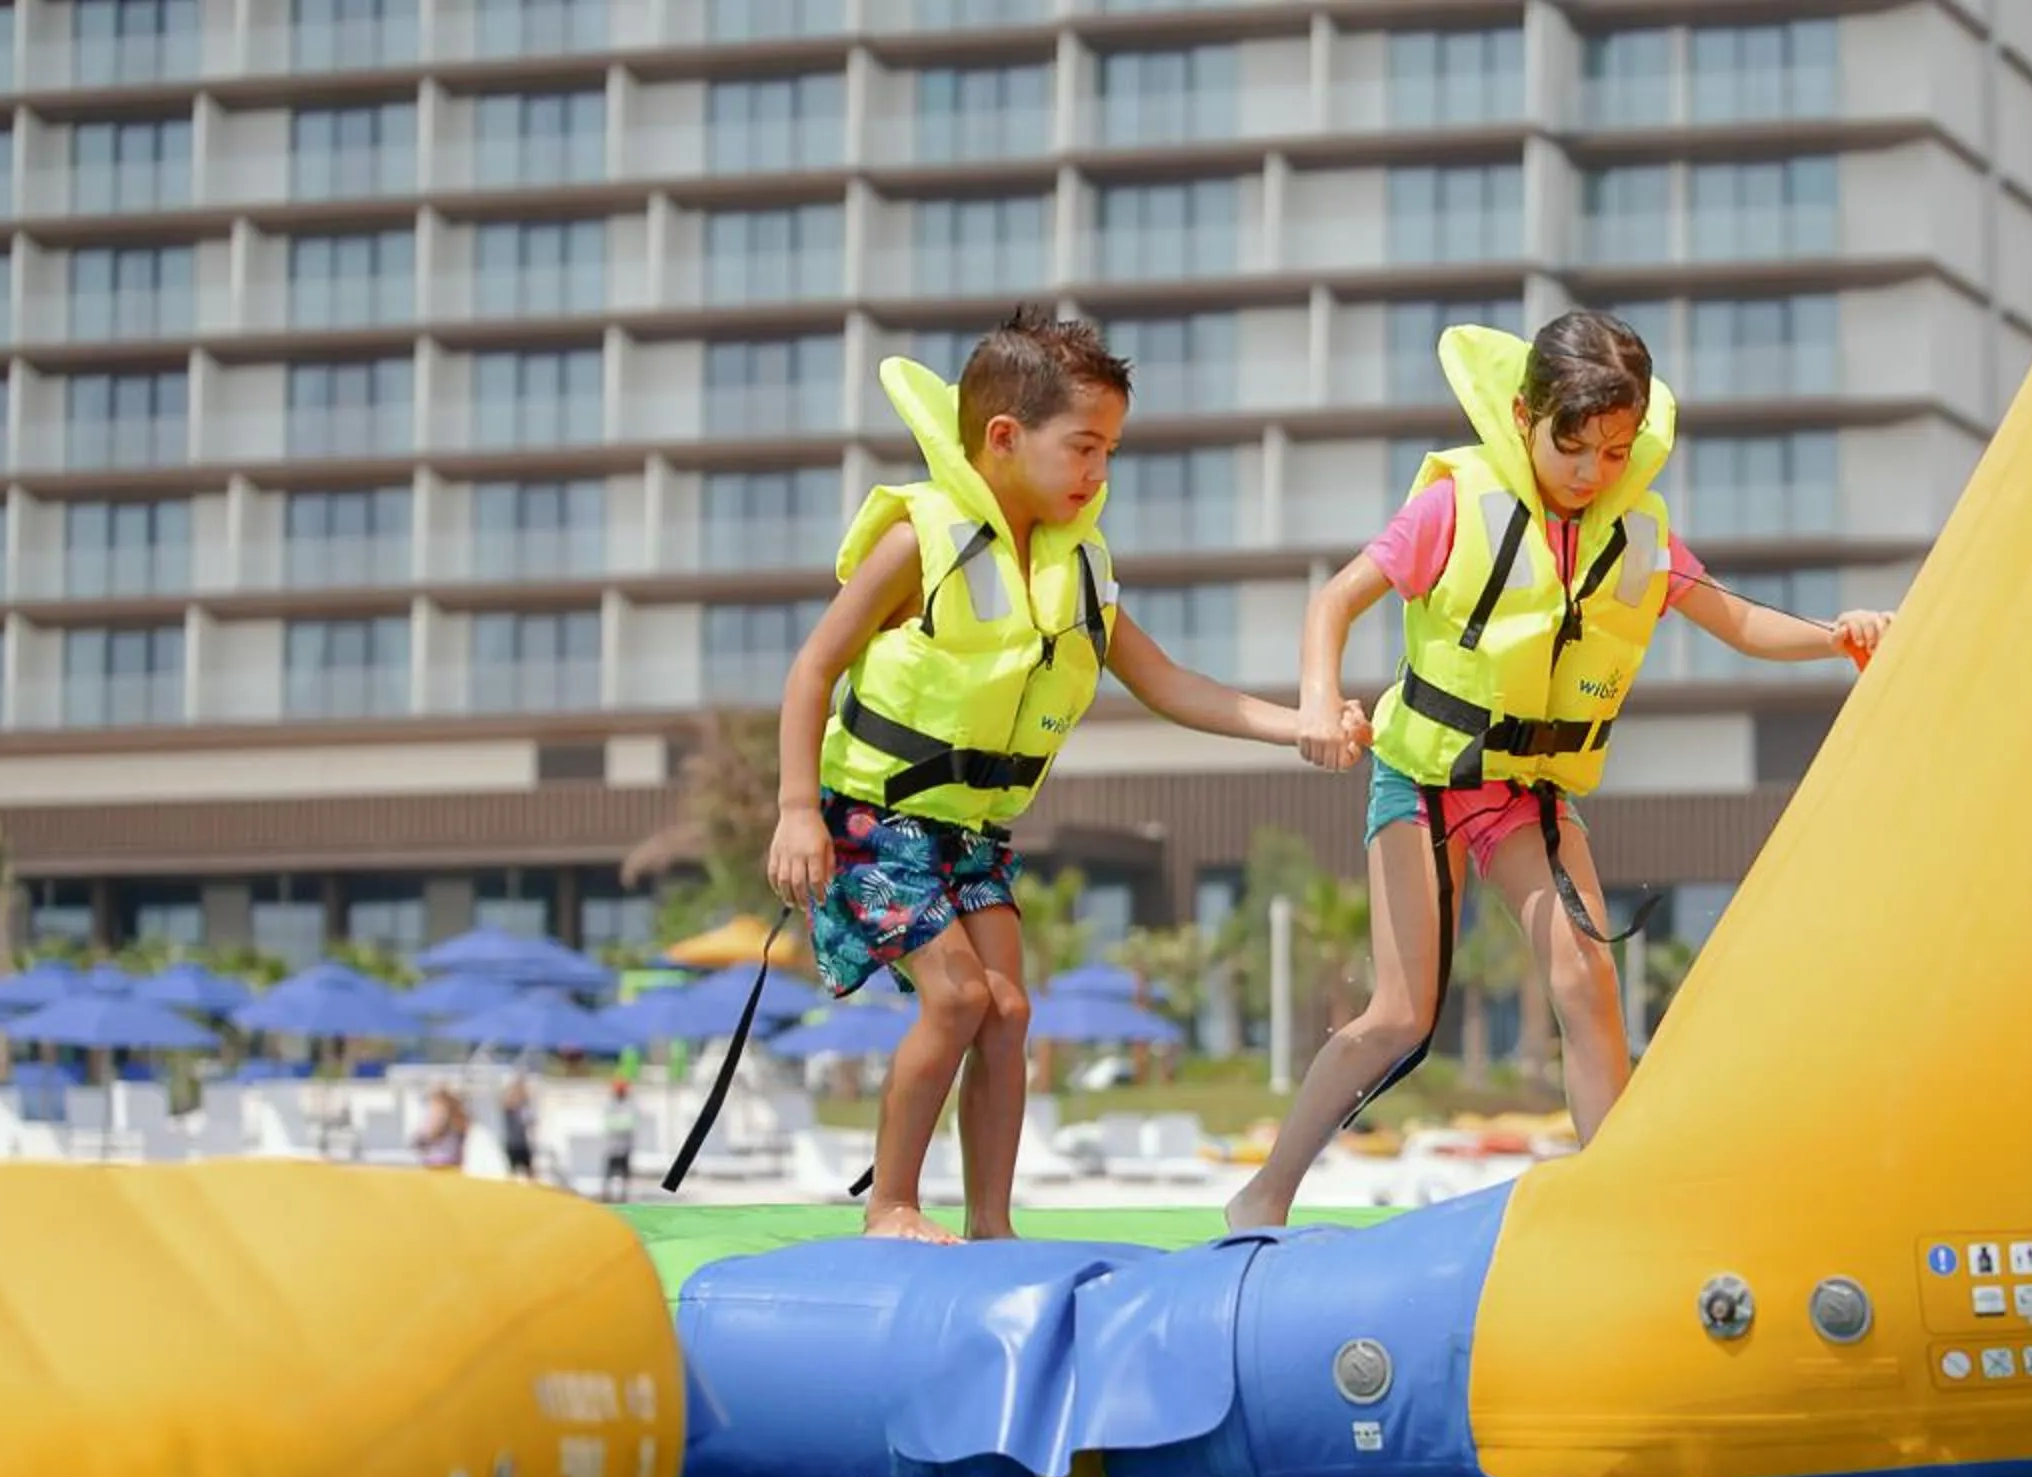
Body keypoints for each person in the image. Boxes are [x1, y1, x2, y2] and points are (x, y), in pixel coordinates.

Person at [1225, 310, 1895, 1231]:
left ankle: (1615, 1208)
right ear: (1523, 415)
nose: (1593, 474)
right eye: (1574, 448)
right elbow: (1335, 603)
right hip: (1422, 781)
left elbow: (1737, 619)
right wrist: (1315, 700)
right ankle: (1263, 1193)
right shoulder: (1456, 505)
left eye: (1617, 453)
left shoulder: (1639, 535)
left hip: (1527, 796)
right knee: (1400, 1014)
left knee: (1587, 986)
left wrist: (1835, 639)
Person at [766, 307, 1365, 1245]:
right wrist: (797, 809)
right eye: (1084, 448)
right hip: (868, 816)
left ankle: (993, 1226)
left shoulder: (1076, 571)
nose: (1100, 475)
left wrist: (1302, 726)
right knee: (960, 998)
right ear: (1003, 438)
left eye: (1110, 453)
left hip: (970, 833)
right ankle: (890, 1206)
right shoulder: (920, 543)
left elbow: (1168, 684)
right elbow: (811, 671)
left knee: (1008, 1013)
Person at [600, 1077, 638, 1204]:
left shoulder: (630, 1103)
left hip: (625, 1147)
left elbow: (630, 1123)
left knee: (624, 1175)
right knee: (609, 1174)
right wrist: (621, 1123)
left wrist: (620, 1123)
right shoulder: (610, 1103)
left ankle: (623, 1197)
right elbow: (611, 1123)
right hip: (611, 1147)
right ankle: (607, 1196)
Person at [498, 1068, 538, 1183]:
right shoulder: (510, 1107)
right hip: (513, 1142)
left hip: (522, 1142)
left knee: (528, 1170)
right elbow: (506, 1102)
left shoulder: (524, 1107)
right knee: (514, 1170)